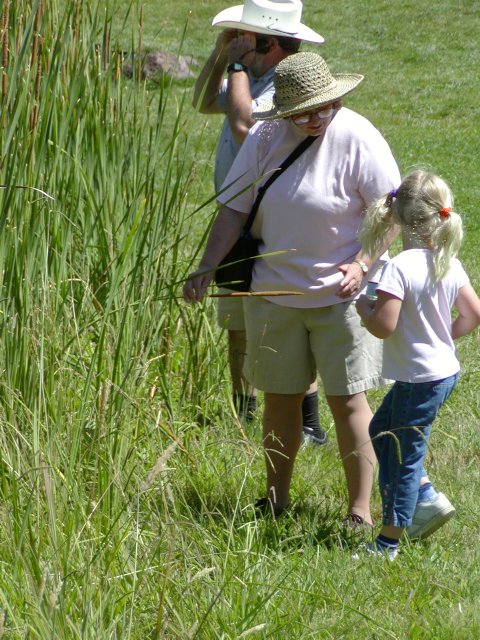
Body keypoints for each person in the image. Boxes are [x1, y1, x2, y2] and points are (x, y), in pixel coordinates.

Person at [184, 51, 401, 524]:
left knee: (348, 402)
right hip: (274, 295)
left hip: (341, 298)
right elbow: (234, 210)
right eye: (303, 112)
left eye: (325, 106)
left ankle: (359, 512)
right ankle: (275, 502)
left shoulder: (359, 135)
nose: (317, 118)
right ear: (283, 111)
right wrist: (205, 267)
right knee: (280, 400)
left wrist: (362, 265)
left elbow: (391, 214)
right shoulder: (263, 137)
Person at [192, 0, 327, 444]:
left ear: (269, 43)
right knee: (236, 319)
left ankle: (308, 422)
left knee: (281, 318)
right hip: (235, 216)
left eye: (249, 38)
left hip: (267, 221)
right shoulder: (248, 77)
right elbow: (201, 103)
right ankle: (243, 410)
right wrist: (220, 56)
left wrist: (235, 63)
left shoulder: (285, 87)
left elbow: (241, 124)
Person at [355, 170, 480, 558]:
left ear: (401, 218)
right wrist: (440, 337)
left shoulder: (399, 267)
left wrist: (364, 309)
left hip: (418, 378)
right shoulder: (448, 262)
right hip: (442, 373)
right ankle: (424, 497)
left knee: (403, 455)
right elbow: (473, 314)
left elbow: (384, 326)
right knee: (381, 429)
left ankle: (389, 541)